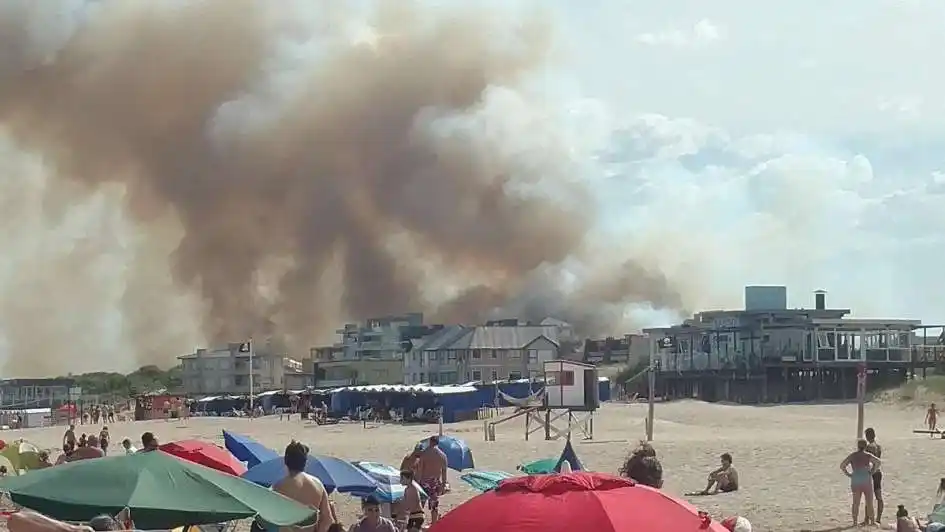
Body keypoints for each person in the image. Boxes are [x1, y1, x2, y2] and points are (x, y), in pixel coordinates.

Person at [272, 441, 333, 532]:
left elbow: (269, 519)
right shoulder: (317, 484)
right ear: (305, 462)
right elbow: (328, 519)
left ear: (285, 461)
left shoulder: (278, 487)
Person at [840, 438, 882, 527]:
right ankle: (872, 521)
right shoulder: (867, 455)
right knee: (869, 502)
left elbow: (842, 465)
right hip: (866, 479)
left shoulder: (853, 456)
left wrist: (848, 474)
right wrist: (872, 471)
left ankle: (855, 522)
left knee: (856, 503)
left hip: (856, 480)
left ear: (858, 446)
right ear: (865, 446)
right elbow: (878, 462)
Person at [416, 436, 448, 524]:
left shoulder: (424, 454)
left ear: (430, 442)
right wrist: (443, 485)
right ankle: (434, 524)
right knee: (434, 505)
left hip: (424, 482)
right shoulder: (443, 455)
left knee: (421, 504)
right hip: (435, 483)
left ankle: (419, 524)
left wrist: (417, 483)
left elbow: (420, 470)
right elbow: (444, 472)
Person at [864, 427, 884, 523]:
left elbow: (867, 461)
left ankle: (867, 519)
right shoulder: (878, 446)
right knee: (879, 496)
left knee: (868, 497)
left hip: (870, 473)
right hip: (878, 472)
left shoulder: (868, 447)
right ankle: (878, 519)